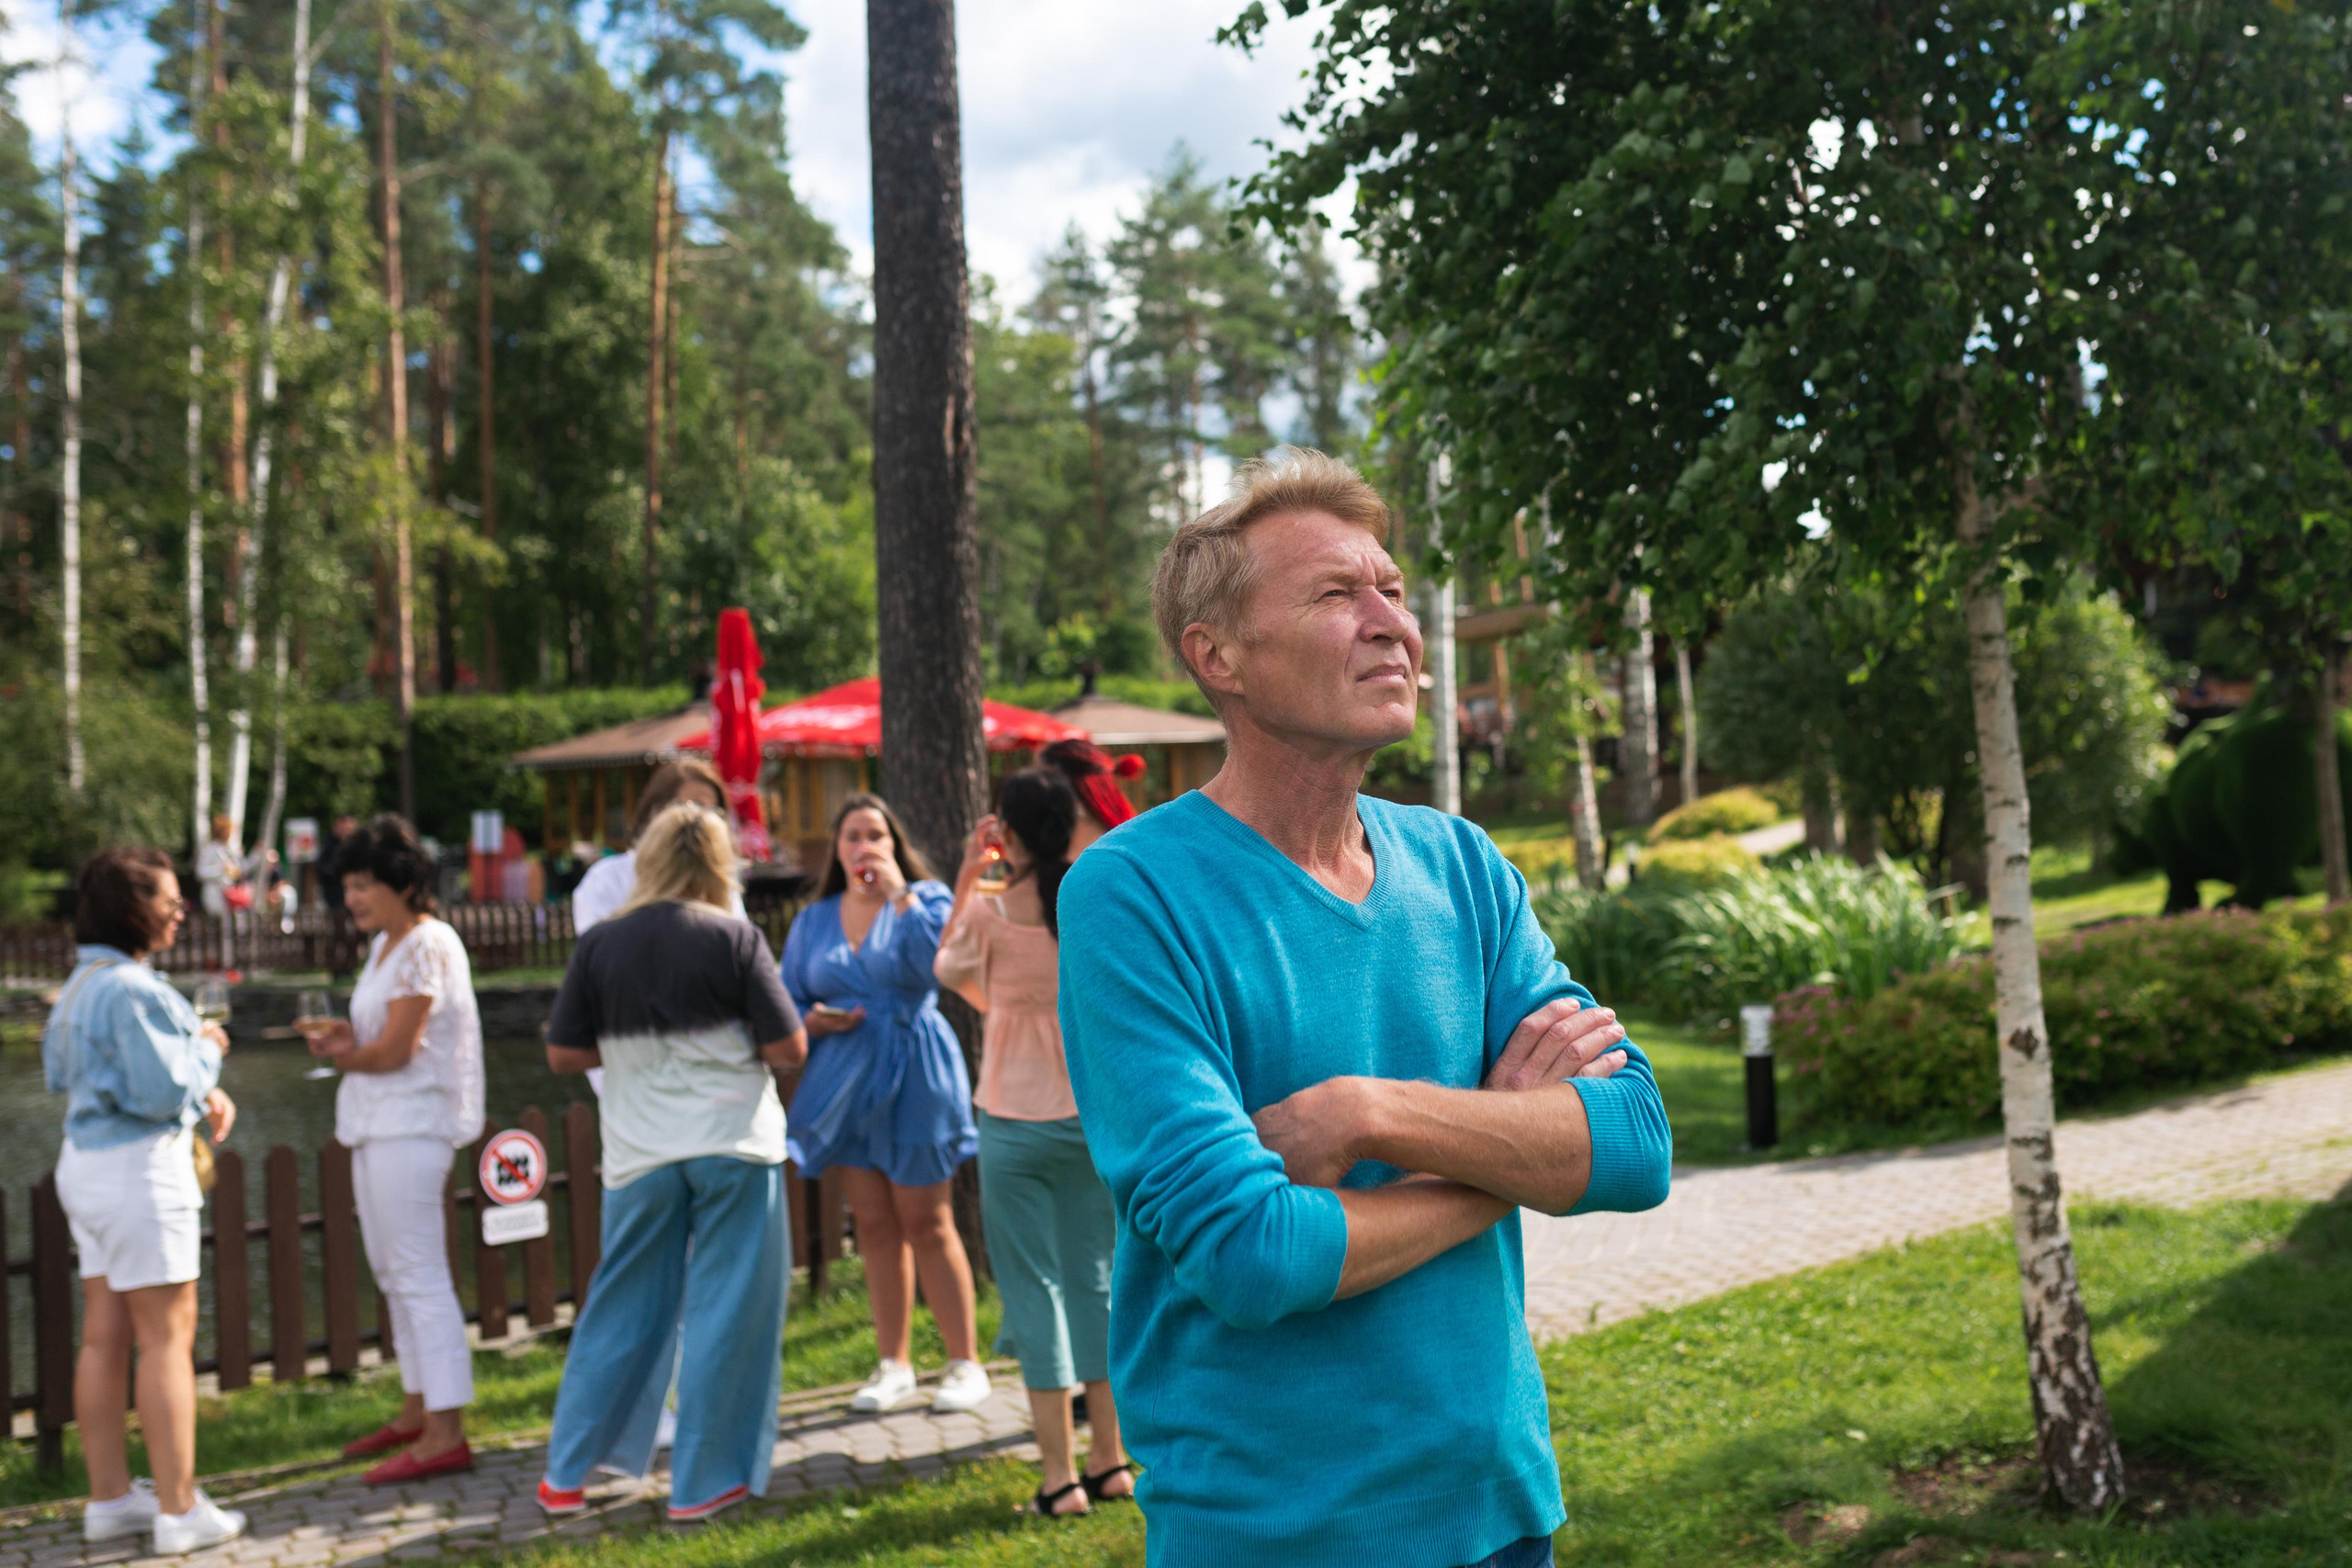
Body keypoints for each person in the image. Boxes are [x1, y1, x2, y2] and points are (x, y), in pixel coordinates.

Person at [1059, 448, 1674, 1568]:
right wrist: (1512, 1157)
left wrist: (1370, 1112)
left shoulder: (1462, 865)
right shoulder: (1132, 893)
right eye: (1338, 595)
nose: (1391, 621)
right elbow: (1253, 1254)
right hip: (1275, 1535)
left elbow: (1635, 1147)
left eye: (1391, 588)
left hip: (1500, 1511)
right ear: (1219, 657)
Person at [536, 803, 807, 1522]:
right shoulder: (736, 937)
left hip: (639, 1151)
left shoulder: (601, 945)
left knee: (618, 1308)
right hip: (733, 1144)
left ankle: (566, 1474)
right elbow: (791, 1049)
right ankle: (702, 1484)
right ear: (721, 864)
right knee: (727, 1314)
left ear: (647, 858)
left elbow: (563, 1052)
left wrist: (633, 1052)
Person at [935, 761, 1135, 1518]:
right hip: (1087, 1114)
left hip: (1012, 1119)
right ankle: (1110, 1459)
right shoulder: (1087, 894)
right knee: (1097, 1281)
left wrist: (971, 871)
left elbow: (946, 965)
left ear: (1007, 830)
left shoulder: (990, 905)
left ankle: (1058, 1478)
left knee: (1034, 1289)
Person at [44, 848, 247, 1555]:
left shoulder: (80, 982)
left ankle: (109, 1501)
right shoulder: (133, 986)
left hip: (87, 1166)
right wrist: (209, 1050)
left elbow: (62, 1073)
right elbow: (161, 1089)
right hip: (139, 1169)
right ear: (134, 908)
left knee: (104, 1334)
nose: (180, 907)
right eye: (168, 897)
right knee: (166, 1338)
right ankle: (179, 1508)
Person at [779, 794, 989, 1416]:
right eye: (852, 836)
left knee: (927, 1218)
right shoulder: (813, 919)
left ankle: (964, 1362)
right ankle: (894, 1362)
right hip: (844, 1080)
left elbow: (939, 967)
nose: (864, 846)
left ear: (895, 846)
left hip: (916, 1070)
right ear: (836, 848)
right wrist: (811, 1020)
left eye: (876, 835)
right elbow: (785, 997)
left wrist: (900, 895)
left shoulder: (926, 902)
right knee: (871, 1223)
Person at [304, 815, 486, 1485]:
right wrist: (344, 1040)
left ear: (404, 882)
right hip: (378, 1123)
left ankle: (446, 1429)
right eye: (347, 884)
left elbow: (400, 1048)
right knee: (391, 1270)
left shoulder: (426, 943)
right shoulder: (386, 945)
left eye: (363, 883)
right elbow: (378, 1036)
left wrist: (349, 1053)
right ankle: (416, 1410)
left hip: (413, 1124)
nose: (351, 897)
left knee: (418, 1270)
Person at [569, 758, 745, 936]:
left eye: (714, 812)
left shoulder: (719, 880)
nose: (701, 820)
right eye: (690, 807)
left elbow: (737, 942)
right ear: (655, 810)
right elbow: (598, 952)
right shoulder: (606, 879)